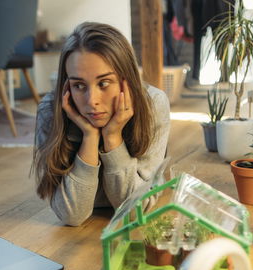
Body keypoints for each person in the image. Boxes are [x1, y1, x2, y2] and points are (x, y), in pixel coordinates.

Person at [32, 22, 170, 226]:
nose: (91, 101)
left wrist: (112, 137)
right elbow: (72, 215)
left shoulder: (154, 103)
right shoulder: (50, 111)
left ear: (127, 80)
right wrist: (89, 136)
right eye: (79, 85)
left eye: (104, 83)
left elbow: (133, 213)